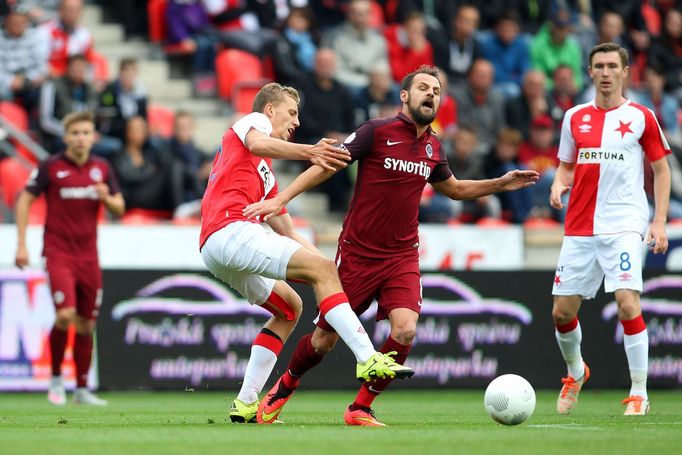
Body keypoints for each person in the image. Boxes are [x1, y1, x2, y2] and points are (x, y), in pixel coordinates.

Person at [243, 66, 538, 426]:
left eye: (436, 90)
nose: (431, 94)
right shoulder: (376, 131)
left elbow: (455, 189)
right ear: (405, 96)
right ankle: (284, 387)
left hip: (402, 255)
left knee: (405, 330)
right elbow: (327, 166)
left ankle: (360, 407)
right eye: (424, 88)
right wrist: (281, 198)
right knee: (322, 343)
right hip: (357, 253)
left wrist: (500, 184)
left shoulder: (433, 146)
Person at [198, 82, 414, 424]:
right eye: (291, 112)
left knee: (290, 308)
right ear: (270, 111)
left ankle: (245, 403)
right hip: (231, 230)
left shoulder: (263, 172)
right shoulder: (253, 122)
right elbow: (258, 141)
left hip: (215, 247)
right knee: (319, 271)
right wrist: (310, 151)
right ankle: (368, 356)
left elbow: (288, 230)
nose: (296, 121)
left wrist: (330, 271)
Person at [549, 42, 671, 417]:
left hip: (624, 223)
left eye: (611, 66)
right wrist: (559, 183)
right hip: (581, 224)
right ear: (590, 72)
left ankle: (639, 392)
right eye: (598, 66)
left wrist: (659, 220)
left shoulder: (641, 117)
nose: (604, 72)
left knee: (626, 301)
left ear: (624, 72)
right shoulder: (574, 117)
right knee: (561, 313)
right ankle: (576, 372)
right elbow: (567, 164)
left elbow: (662, 170)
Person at [14, 111, 125, 406]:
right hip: (58, 253)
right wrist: (22, 243)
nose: (80, 138)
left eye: (86, 133)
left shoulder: (102, 168)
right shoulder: (51, 167)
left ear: (93, 137)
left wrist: (106, 198)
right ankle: (54, 380)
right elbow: (24, 199)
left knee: (87, 324)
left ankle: (82, 389)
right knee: (65, 316)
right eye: (75, 133)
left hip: (89, 257)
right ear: (66, 137)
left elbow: (120, 209)